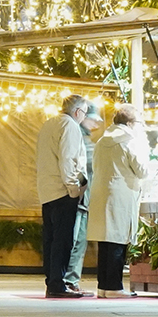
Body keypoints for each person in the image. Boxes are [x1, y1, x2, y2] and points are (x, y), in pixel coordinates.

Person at [87, 104, 147, 298]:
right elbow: (141, 170)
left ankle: (103, 285)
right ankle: (114, 287)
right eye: (139, 122)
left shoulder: (102, 140)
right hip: (121, 194)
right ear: (130, 123)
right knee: (117, 240)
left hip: (101, 192)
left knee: (106, 240)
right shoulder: (129, 141)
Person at [36, 95, 90, 298]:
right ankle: (58, 284)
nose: (84, 118)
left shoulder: (49, 123)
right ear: (77, 112)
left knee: (50, 240)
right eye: (84, 113)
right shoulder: (70, 126)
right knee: (63, 240)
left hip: (47, 191)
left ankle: (52, 282)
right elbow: (68, 159)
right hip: (62, 191)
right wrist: (74, 189)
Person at [65, 104, 102, 292]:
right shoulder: (82, 139)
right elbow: (84, 165)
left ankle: (69, 279)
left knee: (76, 239)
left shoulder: (80, 136)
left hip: (79, 196)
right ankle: (69, 280)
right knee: (77, 240)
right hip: (80, 197)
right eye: (92, 118)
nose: (95, 123)